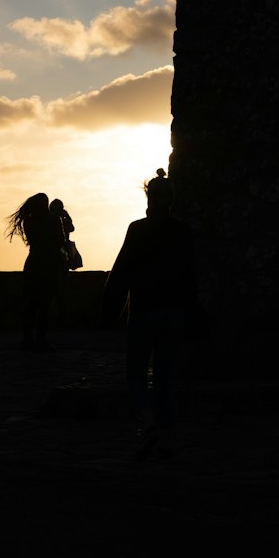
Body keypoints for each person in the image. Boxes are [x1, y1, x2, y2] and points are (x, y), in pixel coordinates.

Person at [102, 169, 197, 459]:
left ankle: (147, 422)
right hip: (174, 311)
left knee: (136, 375)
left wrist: (109, 306)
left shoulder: (137, 229)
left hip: (144, 310)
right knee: (166, 377)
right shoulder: (183, 232)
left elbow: (120, 270)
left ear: (149, 198)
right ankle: (167, 438)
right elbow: (191, 275)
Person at [6, 192, 62, 351]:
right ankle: (41, 339)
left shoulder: (28, 221)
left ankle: (27, 338)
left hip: (33, 262)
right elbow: (60, 241)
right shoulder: (54, 219)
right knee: (45, 303)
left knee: (31, 302)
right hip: (50, 263)